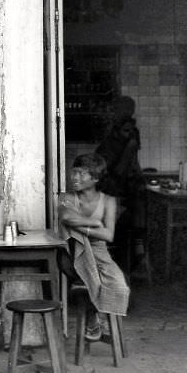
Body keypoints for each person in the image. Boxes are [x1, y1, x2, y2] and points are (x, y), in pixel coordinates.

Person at [58, 153, 130, 341]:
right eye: (74, 172)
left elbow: (109, 235)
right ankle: (94, 319)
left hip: (101, 254)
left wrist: (83, 228)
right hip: (73, 255)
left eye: (82, 174)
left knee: (119, 284)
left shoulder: (108, 201)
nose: (75, 177)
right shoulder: (66, 197)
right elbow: (66, 218)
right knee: (91, 279)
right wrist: (95, 223)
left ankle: (101, 319)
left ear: (95, 178)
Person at [96, 95, 144, 267]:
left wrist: (137, 175)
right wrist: (129, 150)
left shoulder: (130, 136)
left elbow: (133, 165)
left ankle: (137, 248)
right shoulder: (109, 145)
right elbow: (115, 174)